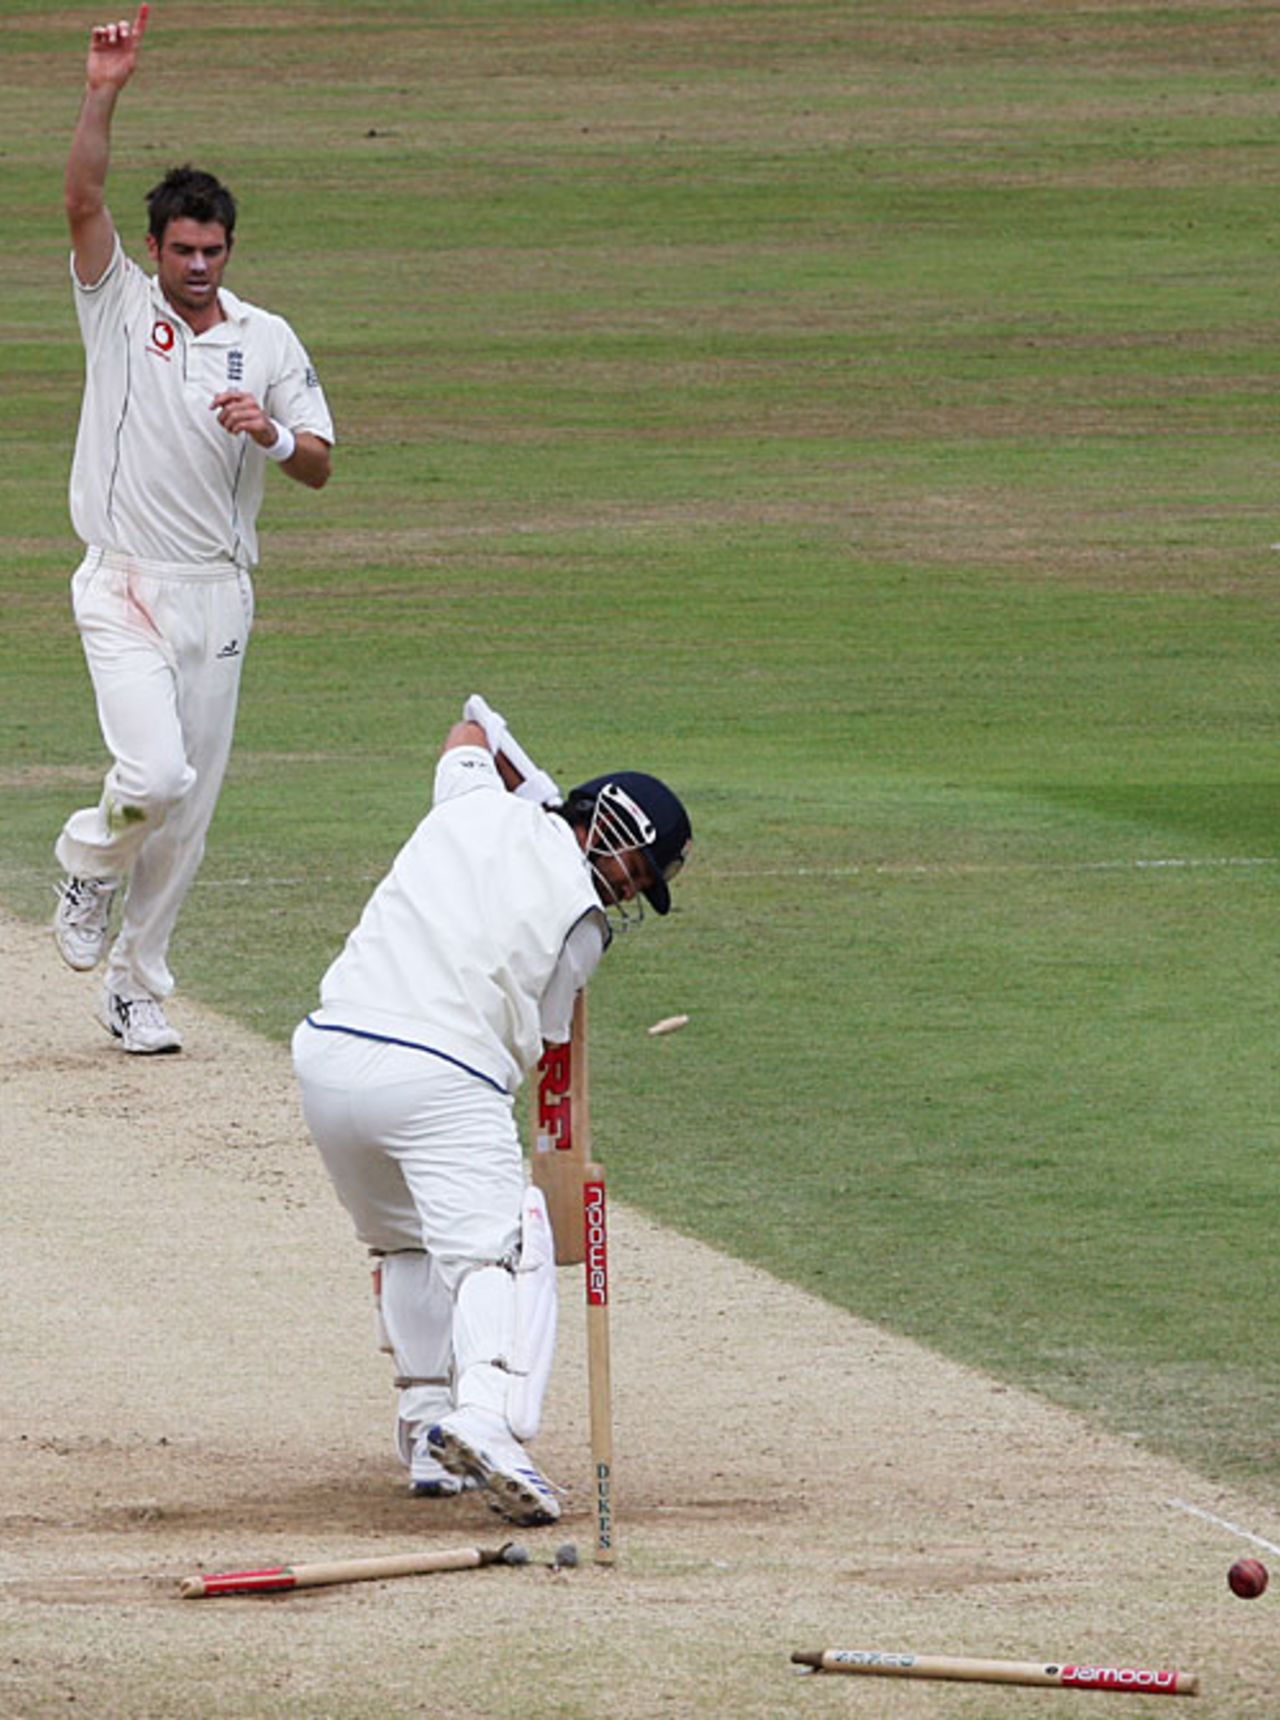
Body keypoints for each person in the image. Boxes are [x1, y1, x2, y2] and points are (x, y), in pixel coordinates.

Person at [291, 695, 692, 1524]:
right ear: (606, 825)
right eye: (635, 870)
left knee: (405, 1242)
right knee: (506, 1252)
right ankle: (488, 1422)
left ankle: (425, 1429)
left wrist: (523, 789)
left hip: (328, 1058)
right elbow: (547, 1042)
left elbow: (470, 726)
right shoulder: (583, 927)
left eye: (642, 885)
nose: (626, 889)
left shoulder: (469, 797)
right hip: (440, 1075)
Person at [52, 4, 335, 1054]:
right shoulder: (119, 305)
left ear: (230, 248)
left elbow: (319, 462)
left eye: (214, 249)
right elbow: (81, 198)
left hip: (218, 593)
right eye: (183, 249)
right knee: (154, 777)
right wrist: (103, 91)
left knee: (190, 812)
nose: (200, 264)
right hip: (124, 580)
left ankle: (136, 986)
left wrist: (270, 433)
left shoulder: (268, 339)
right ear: (156, 248)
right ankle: (86, 863)